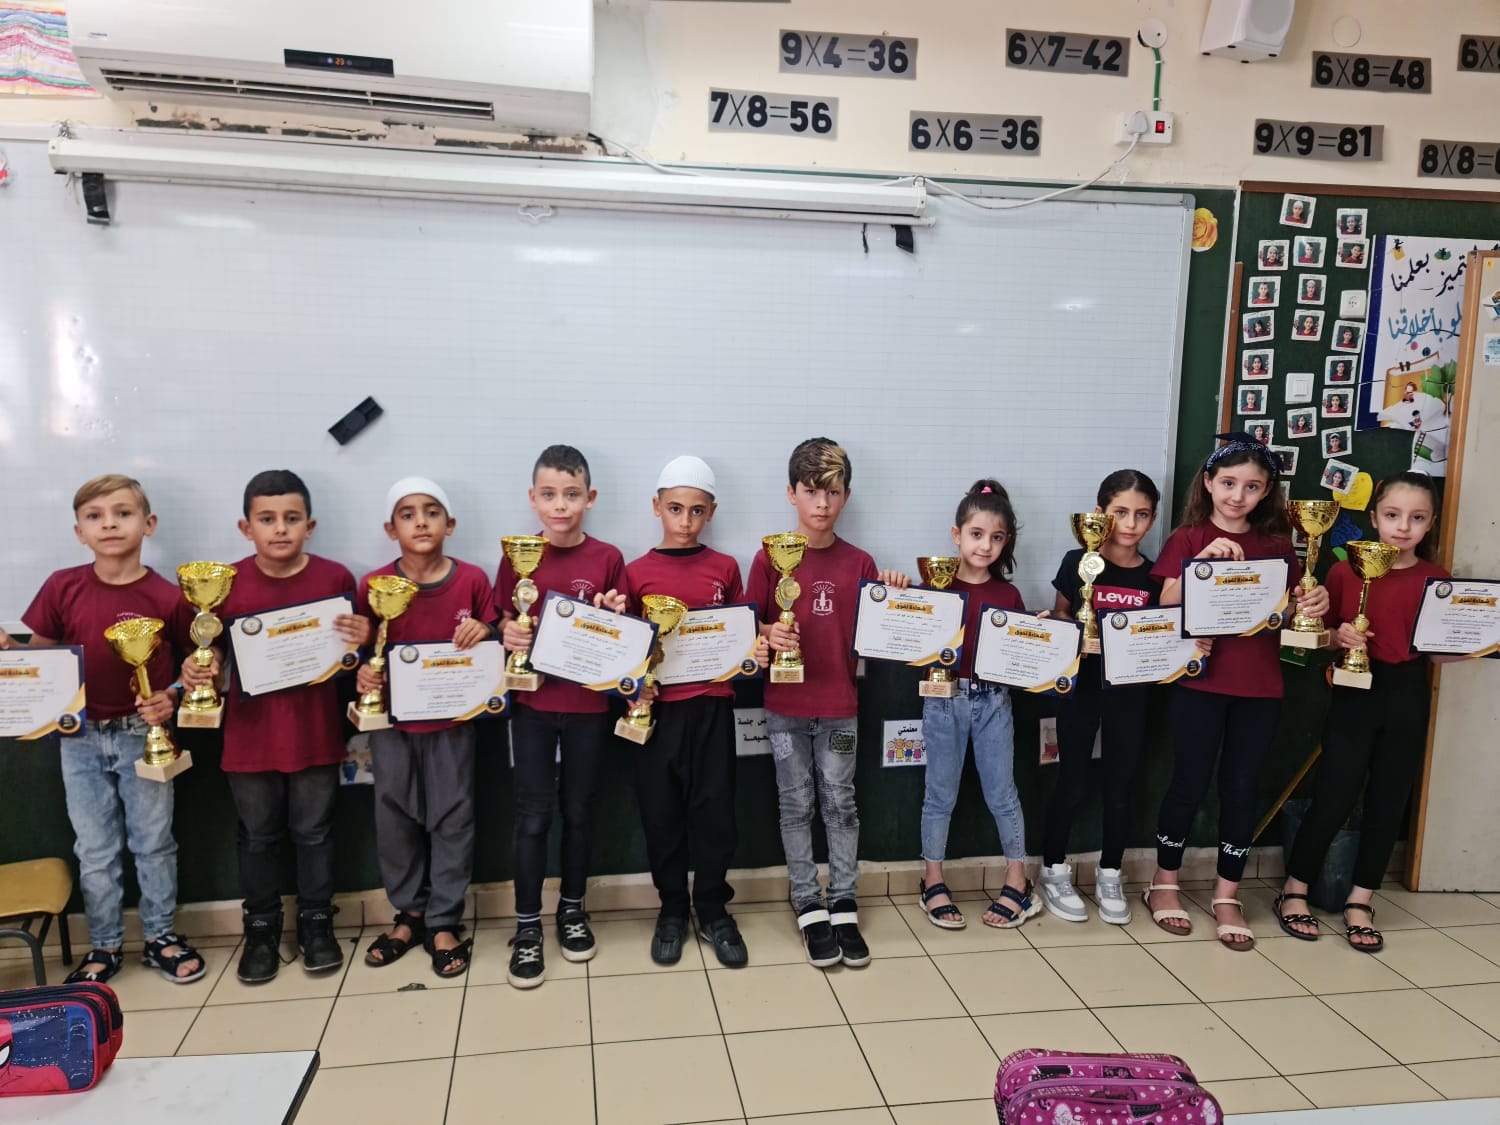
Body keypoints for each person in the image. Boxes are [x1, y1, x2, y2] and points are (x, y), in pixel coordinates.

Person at [3, 475, 203, 986]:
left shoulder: (168, 595)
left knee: (153, 843)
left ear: (148, 524)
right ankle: (105, 945)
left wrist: (172, 695)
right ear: (79, 532)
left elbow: (202, 663)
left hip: (145, 736)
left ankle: (160, 937)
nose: (109, 524)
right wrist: (10, 653)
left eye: (122, 513)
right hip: (78, 738)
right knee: (94, 849)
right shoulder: (61, 586)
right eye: (95, 516)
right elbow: (41, 660)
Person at [180, 470, 368, 983]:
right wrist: (200, 667)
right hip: (250, 735)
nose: (280, 529)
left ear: (310, 525)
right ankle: (261, 930)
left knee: (315, 833)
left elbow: (350, 656)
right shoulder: (225, 584)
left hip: (315, 731)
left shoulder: (335, 579)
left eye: (291, 518)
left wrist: (361, 635)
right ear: (247, 528)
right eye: (267, 519)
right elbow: (212, 652)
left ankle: (316, 925)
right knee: (258, 837)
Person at [1142, 434, 1327, 950]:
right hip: (1199, 683)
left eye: (1252, 487)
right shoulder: (1188, 537)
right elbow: (1166, 601)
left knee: (1242, 789)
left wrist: (1312, 602)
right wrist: (1202, 561)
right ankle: (1164, 882)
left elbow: (1287, 610)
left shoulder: (1277, 546)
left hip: (1260, 687)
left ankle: (1227, 893)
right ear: (1208, 483)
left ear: (1266, 492)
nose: (1237, 495)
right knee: (1188, 782)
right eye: (1228, 483)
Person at [1278, 473, 1455, 952]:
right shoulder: (1344, 571)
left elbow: (1441, 652)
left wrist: (1480, 641)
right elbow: (1324, 636)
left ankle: (1361, 900)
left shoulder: (1438, 581)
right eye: (1393, 515)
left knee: (1389, 799)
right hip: (1354, 692)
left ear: (1430, 524)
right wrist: (1340, 637)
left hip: (1408, 693)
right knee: (1334, 794)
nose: (1403, 527)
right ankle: (1296, 888)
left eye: (1417, 518)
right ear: (1374, 518)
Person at [747, 437, 896, 968]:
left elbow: (883, 630)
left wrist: (895, 592)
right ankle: (807, 901)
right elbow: (750, 629)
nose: (821, 503)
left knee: (840, 802)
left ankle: (844, 900)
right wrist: (768, 634)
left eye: (832, 492)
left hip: (840, 707)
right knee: (795, 804)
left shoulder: (862, 562)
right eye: (811, 491)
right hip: (784, 706)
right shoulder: (768, 557)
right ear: (791, 493)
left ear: (846, 496)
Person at [624, 456, 769, 967]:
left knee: (715, 813)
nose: (685, 520)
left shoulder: (725, 568)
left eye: (697, 510)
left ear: (711, 511)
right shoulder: (635, 572)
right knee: (661, 814)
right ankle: (671, 909)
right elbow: (626, 648)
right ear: (657, 506)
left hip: (711, 707)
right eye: (675, 508)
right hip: (658, 715)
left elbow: (741, 635)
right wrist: (632, 686)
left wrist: (754, 651)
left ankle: (712, 908)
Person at [494, 445, 628, 988]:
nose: (560, 505)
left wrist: (613, 616)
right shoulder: (517, 555)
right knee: (532, 815)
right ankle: (527, 925)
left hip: (589, 706)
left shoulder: (608, 558)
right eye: (549, 494)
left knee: (579, 811)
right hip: (531, 705)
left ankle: (572, 910)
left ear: (589, 498)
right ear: (533, 498)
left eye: (571, 495)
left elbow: (622, 630)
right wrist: (509, 631)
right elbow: (504, 618)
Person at [356, 478, 497, 979]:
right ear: (390, 529)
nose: (420, 521)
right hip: (393, 723)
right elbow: (362, 649)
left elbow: (496, 633)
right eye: (408, 513)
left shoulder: (472, 580)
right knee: (394, 816)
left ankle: (444, 920)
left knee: (453, 816)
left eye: (432, 512)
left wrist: (487, 629)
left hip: (453, 723)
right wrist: (364, 671)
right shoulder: (374, 585)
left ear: (449, 524)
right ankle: (409, 914)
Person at [1039, 471, 1161, 926]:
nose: (1130, 524)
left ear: (1152, 519)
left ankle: (1111, 872)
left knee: (1121, 786)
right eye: (1120, 512)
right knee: (1071, 781)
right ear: (1099, 514)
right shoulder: (1078, 561)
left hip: (1131, 693)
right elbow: (1063, 612)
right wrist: (1053, 625)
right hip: (1080, 689)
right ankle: (1053, 869)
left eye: (1142, 515)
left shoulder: (1154, 575)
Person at [915, 480, 1035, 931]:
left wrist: (1041, 639)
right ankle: (932, 880)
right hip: (942, 702)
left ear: (1006, 542)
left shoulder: (1008, 596)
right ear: (957, 534)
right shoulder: (933, 587)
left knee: (1002, 794)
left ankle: (1018, 880)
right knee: (939, 795)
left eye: (996, 537)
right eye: (976, 534)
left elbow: (1019, 659)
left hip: (993, 702)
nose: (985, 546)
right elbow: (906, 638)